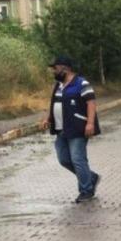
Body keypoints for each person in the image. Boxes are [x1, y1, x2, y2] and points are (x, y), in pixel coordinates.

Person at [41, 56, 102, 203]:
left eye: (55, 69)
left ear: (64, 68)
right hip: (61, 129)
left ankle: (86, 191)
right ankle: (91, 177)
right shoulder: (59, 85)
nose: (54, 72)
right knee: (64, 160)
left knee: (77, 159)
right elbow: (56, 104)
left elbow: (91, 103)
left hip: (77, 128)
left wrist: (90, 123)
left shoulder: (82, 83)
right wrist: (48, 118)